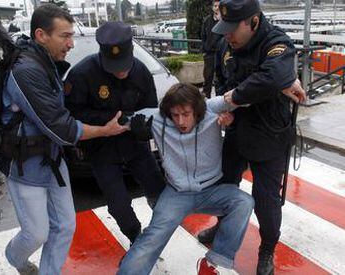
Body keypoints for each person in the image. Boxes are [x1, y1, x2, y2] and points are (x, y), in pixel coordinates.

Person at [0, 5, 128, 275]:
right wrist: (105, 129)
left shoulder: (46, 64)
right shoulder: (25, 71)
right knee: (36, 233)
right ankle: (14, 258)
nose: (71, 43)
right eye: (65, 36)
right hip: (25, 166)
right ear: (41, 35)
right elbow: (61, 128)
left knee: (65, 226)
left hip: (53, 162)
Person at [196, 0, 307, 274]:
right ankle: (222, 227)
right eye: (225, 28)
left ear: (254, 22)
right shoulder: (226, 45)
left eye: (234, 28)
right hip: (237, 131)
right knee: (224, 187)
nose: (228, 35)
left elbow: (274, 76)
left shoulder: (276, 42)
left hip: (269, 135)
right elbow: (222, 79)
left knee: (266, 200)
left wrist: (233, 98)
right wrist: (228, 109)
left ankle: (267, 248)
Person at [117, 83, 254, 274]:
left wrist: (287, 83)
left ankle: (213, 264)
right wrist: (131, 124)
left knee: (244, 202)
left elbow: (247, 96)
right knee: (151, 239)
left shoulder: (212, 108)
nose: (180, 121)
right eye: (175, 115)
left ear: (197, 111)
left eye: (186, 114)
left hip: (212, 190)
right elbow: (117, 120)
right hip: (177, 194)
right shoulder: (158, 117)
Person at [65, 22, 165, 245]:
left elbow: (150, 111)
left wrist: (144, 129)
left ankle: (159, 230)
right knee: (118, 204)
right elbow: (73, 114)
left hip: (134, 145)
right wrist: (109, 122)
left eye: (124, 65)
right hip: (102, 149)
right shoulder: (82, 74)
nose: (121, 71)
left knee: (160, 191)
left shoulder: (141, 72)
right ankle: (135, 237)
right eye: (115, 66)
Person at [200, 0, 222, 98]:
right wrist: (204, 49)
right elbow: (203, 36)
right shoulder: (207, 20)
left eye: (219, 6)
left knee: (219, 78)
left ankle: (218, 99)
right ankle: (205, 100)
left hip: (220, 54)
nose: (217, 8)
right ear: (212, 7)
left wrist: (221, 19)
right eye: (215, 6)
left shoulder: (224, 21)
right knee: (207, 77)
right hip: (209, 53)